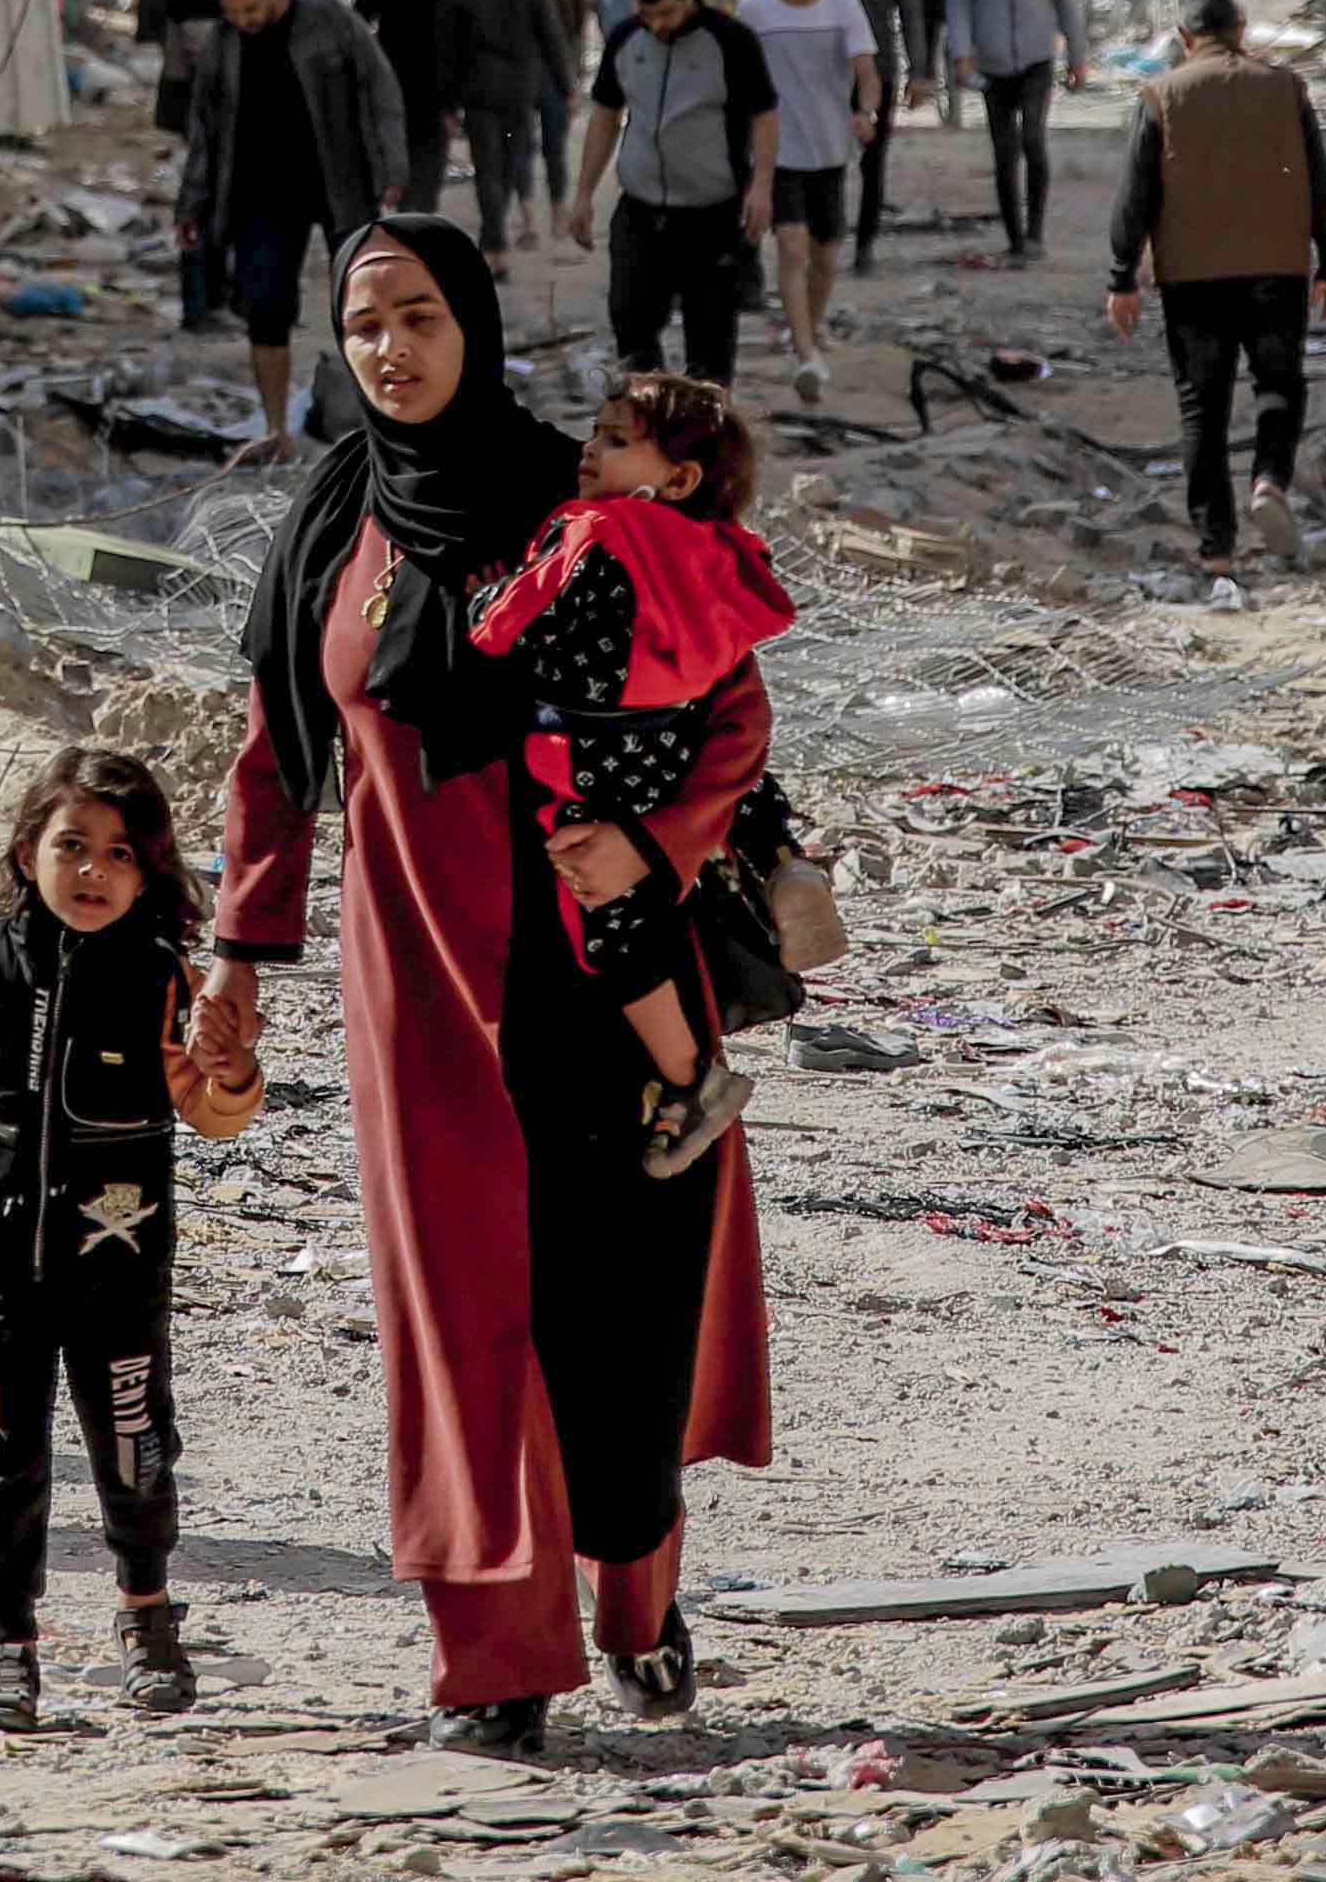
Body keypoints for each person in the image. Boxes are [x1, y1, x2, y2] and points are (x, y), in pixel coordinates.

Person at [203, 223, 773, 1752]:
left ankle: (639, 1597)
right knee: (458, 1312)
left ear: (479, 325)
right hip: (421, 981)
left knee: (624, 1302)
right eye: (366, 323)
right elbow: (278, 750)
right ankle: (501, 1663)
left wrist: (649, 846)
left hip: (595, 956)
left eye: (421, 316)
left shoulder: (568, 494)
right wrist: (240, 955)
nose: (392, 348)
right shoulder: (336, 513)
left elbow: (727, 703)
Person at [0, 748, 265, 1725]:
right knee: (3, 1456)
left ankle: (147, 1613)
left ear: (151, 870)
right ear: (26, 847)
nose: (92, 872)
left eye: (119, 854)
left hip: (117, 1269)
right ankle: (6, 1641)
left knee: (134, 1446)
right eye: (71, 846)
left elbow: (212, 1114)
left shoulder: (165, 982)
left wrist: (235, 1069)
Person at [469, 374, 796, 1173]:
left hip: (588, 761)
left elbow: (509, 632)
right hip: (667, 751)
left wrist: (479, 599)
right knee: (679, 877)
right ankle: (781, 856)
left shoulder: (592, 531)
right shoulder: (709, 548)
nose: (590, 450)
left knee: (613, 932)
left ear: (676, 477)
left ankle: (692, 1078)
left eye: (616, 440)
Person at [1100, 0, 1326, 568]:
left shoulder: (1161, 94)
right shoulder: (1286, 89)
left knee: (1203, 411)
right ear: (1242, 33)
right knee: (1279, 384)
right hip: (1277, 270)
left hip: (1192, 280)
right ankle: (1269, 479)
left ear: (1186, 39)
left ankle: (1217, 550)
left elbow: (1134, 196)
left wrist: (1122, 278)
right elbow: (1321, 183)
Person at [180, 0, 407, 447]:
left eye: (251, 10)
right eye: (233, 13)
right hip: (261, 196)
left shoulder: (328, 21)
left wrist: (392, 167)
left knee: (365, 305)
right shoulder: (223, 44)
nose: (244, 21)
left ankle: (378, 425)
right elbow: (204, 131)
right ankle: (276, 431)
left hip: (339, 185)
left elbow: (380, 89)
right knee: (264, 311)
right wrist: (191, 203)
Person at [568, 0, 779, 388]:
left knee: (710, 341)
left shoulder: (731, 41)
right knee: (630, 321)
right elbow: (606, 116)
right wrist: (584, 193)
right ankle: (653, 413)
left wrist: (762, 187)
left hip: (711, 212)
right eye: (647, 15)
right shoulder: (627, 39)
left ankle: (708, 428)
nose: (657, 25)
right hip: (641, 208)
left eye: (666, 12)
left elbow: (765, 115)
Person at [734, 0, 883, 402]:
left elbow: (866, 69)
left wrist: (865, 110)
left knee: (825, 257)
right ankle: (804, 354)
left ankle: (809, 331)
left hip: (830, 150)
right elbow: (739, 79)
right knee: (792, 248)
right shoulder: (754, 10)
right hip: (778, 152)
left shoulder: (844, 7)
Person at [943, 0, 1089, 261]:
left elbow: (1065, 1)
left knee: (1033, 141)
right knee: (1004, 151)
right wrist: (962, 54)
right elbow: (958, 4)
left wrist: (1077, 56)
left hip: (1036, 58)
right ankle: (1015, 238)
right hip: (991, 64)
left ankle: (1036, 231)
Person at [435, 0, 564, 262]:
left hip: (478, 90)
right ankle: (495, 238)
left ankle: (494, 244)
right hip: (520, 88)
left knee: (487, 167)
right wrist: (565, 85)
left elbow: (445, 51)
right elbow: (550, 34)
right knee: (509, 163)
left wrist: (447, 103)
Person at [158, 0, 253, 336]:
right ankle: (200, 306)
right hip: (204, 115)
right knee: (202, 204)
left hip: (218, 114)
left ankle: (220, 299)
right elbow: (208, 62)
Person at [826, 0, 917, 278]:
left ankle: (864, 247)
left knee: (874, 163)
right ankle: (826, 240)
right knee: (827, 161)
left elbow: (912, 17)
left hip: (878, 74)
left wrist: (921, 72)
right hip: (829, 75)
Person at [352, 0, 463, 206]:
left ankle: (405, 213)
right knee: (430, 159)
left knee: (400, 153)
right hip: (438, 78)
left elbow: (360, 19)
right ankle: (422, 216)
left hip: (394, 73)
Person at [513, 0, 597, 203]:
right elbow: (577, 28)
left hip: (518, 71)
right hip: (556, 71)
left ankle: (526, 213)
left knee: (520, 146)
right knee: (555, 148)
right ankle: (559, 210)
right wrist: (574, 78)